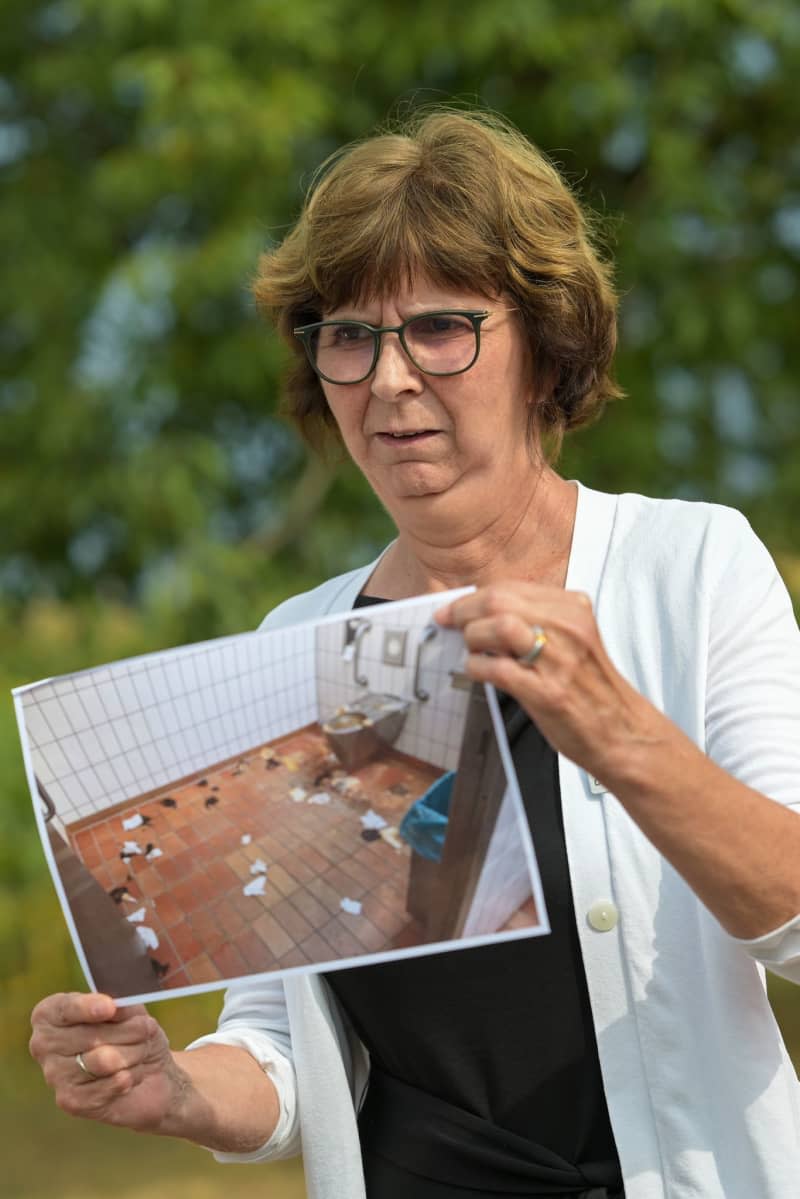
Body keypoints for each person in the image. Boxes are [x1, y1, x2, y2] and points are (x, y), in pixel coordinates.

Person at [29, 108, 800, 1199]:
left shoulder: (690, 566)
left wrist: (620, 731)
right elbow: (285, 1048)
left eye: (440, 326)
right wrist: (176, 1089)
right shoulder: (294, 640)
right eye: (348, 335)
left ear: (546, 344)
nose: (388, 377)